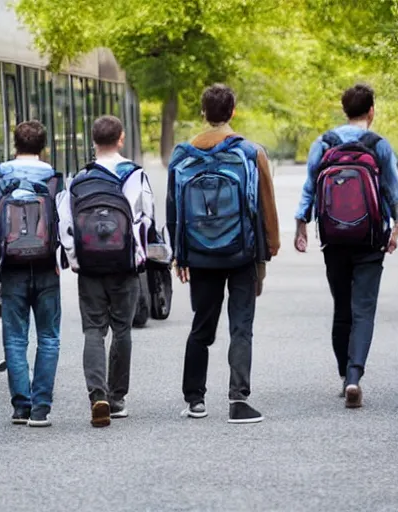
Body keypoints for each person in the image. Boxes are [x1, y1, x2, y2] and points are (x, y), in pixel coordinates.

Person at [167, 84, 280, 424]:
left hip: (200, 253)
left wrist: (179, 254)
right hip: (242, 252)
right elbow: (266, 203)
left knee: (202, 325)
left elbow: (174, 209)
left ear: (204, 113)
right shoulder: (250, 152)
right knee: (241, 325)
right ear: (232, 112)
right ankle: (238, 399)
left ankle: (195, 399)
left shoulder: (182, 154)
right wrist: (270, 245)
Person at [294, 83, 398, 408]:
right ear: (371, 111)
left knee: (342, 309)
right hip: (370, 237)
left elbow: (309, 188)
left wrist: (301, 226)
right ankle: (355, 376)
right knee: (364, 309)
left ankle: (345, 377)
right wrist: (395, 230)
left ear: (344, 111)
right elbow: (396, 193)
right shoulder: (378, 145)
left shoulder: (324, 143)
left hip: (333, 238)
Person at [59, 115, 155, 428]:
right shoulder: (135, 175)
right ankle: (117, 398)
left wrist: (75, 258)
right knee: (122, 329)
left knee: (93, 329)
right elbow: (146, 219)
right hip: (125, 265)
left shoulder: (79, 178)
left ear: (93, 141)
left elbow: (66, 224)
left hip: (89, 265)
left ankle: (96, 395)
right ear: (121, 138)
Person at [0, 120, 64, 427]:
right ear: (43, 146)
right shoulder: (54, 177)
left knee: (15, 339)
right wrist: (64, 259)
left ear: (15, 144)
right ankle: (41, 408)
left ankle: (20, 407)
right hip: (46, 266)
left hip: (11, 267)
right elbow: (64, 227)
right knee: (49, 338)